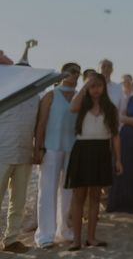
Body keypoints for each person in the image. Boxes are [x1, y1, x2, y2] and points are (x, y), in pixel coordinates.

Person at [66, 73, 122, 251]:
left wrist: (118, 159)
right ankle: (76, 240)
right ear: (87, 87)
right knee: (78, 197)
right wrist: (85, 84)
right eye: (92, 86)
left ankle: (91, 238)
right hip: (82, 151)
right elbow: (72, 106)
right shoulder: (81, 105)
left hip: (101, 152)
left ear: (104, 87)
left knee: (95, 197)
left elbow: (115, 136)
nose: (96, 89)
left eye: (99, 85)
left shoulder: (110, 108)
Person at [33, 63, 80, 249]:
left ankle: (64, 229)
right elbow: (41, 123)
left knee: (67, 192)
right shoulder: (51, 95)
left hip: (72, 149)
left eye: (78, 72)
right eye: (71, 71)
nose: (75, 74)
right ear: (63, 74)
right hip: (50, 148)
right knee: (47, 191)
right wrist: (37, 148)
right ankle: (44, 234)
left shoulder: (79, 96)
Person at [0, 62, 39, 254]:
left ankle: (11, 239)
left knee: (19, 201)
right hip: (2, 153)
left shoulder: (36, 96)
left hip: (24, 153)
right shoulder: (4, 91)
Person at [107, 75, 133, 213]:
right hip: (126, 136)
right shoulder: (128, 98)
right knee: (124, 167)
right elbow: (121, 117)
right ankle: (119, 203)